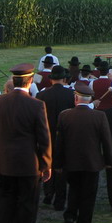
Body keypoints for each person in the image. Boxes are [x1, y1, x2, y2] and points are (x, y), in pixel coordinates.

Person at [0, 63, 51, 223]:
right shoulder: (36, 105)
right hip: (28, 164)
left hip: (5, 162)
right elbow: (43, 138)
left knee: (6, 200)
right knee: (27, 205)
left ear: (13, 81)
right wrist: (46, 164)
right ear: (30, 81)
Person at [53, 82, 112, 223]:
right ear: (90, 99)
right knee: (88, 194)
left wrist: (57, 163)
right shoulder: (99, 116)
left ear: (75, 98)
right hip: (91, 162)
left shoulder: (65, 116)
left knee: (74, 189)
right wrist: (108, 161)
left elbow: (59, 143)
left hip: (71, 161)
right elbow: (106, 141)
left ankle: (70, 215)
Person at [37, 65, 74, 210]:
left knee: (47, 164)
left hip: (46, 135)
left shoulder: (42, 95)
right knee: (62, 168)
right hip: (65, 137)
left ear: (51, 79)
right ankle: (60, 199)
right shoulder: (71, 95)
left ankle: (48, 193)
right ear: (64, 79)